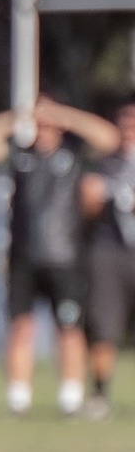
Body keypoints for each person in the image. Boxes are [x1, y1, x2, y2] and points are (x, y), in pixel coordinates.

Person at [0, 98, 119, 416]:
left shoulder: (75, 156)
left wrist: (63, 114)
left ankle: (71, 397)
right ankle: (19, 398)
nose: (45, 130)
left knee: (69, 328)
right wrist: (22, 114)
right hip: (23, 256)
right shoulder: (19, 157)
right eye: (41, 125)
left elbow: (108, 137)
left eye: (51, 126)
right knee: (21, 327)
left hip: (66, 256)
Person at [81, 96, 135, 417]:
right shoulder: (103, 161)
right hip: (110, 250)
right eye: (124, 122)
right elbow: (89, 206)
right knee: (105, 325)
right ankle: (100, 394)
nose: (129, 129)